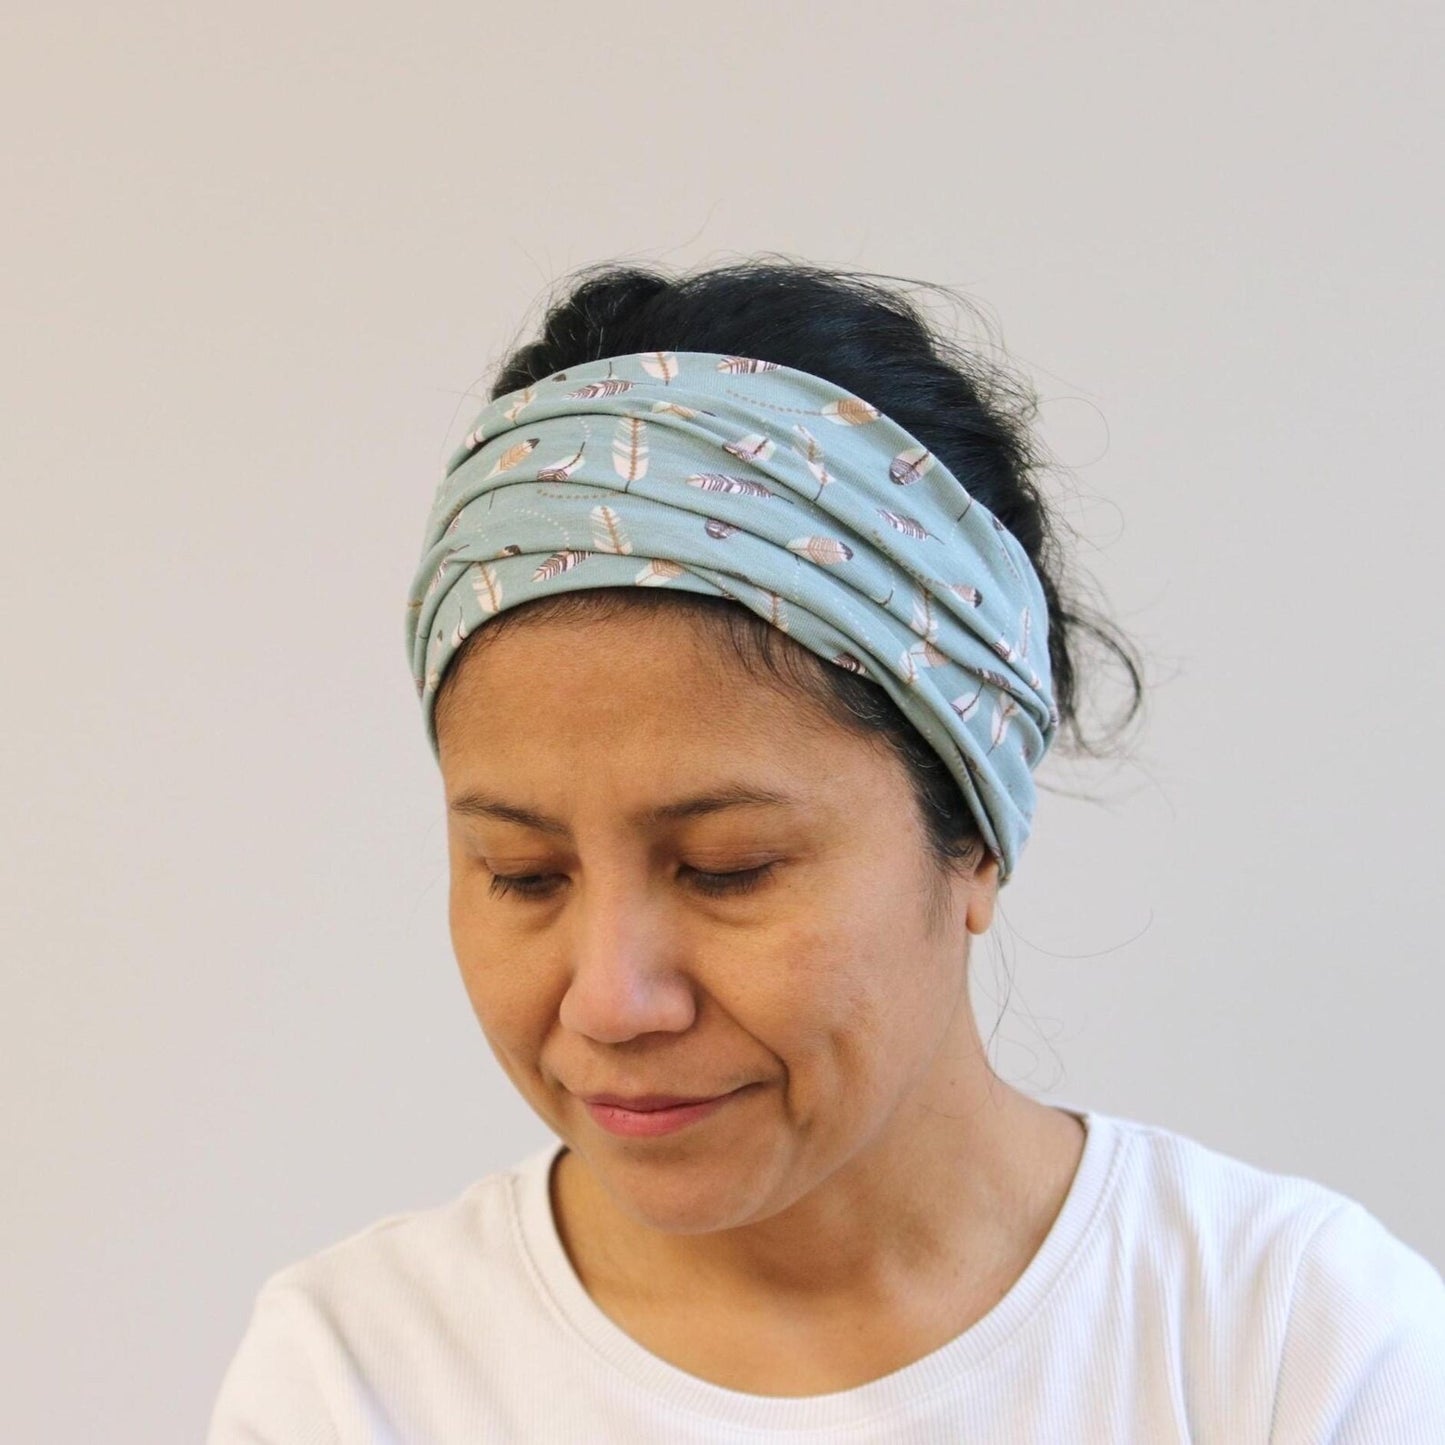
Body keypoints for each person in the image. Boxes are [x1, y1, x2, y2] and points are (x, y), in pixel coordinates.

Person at [207, 259, 1445, 1443]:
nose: (609, 1000)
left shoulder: (1296, 1348)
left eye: (727, 866)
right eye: (523, 874)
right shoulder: (355, 1375)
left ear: (970, 839)